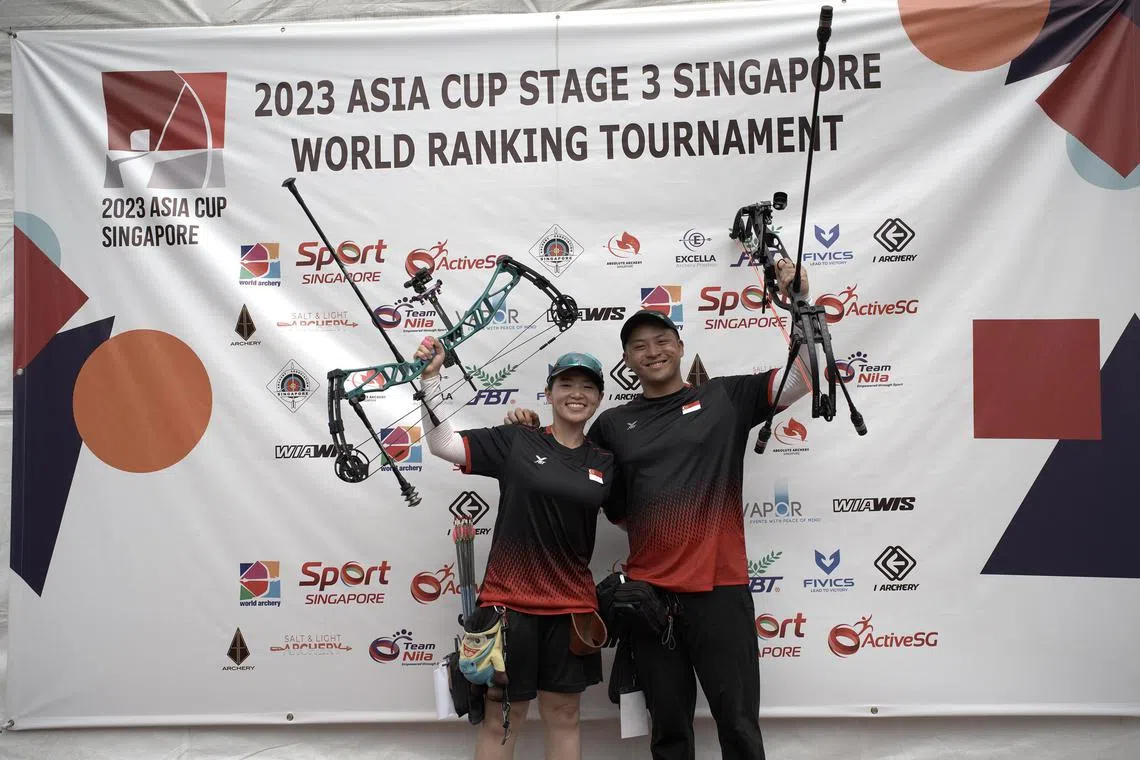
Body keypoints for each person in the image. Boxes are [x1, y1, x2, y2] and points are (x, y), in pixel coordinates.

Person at [507, 258, 815, 759]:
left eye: (662, 340)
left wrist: (800, 300)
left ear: (680, 347)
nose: (652, 351)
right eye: (639, 345)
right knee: (669, 732)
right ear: (627, 360)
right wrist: (523, 430)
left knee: (737, 724)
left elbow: (803, 377)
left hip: (721, 589)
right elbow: (573, 471)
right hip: (648, 598)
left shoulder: (724, 398)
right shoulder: (612, 424)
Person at [414, 336, 615, 760]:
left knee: (564, 717)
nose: (576, 394)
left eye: (587, 386)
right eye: (565, 384)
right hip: (510, 607)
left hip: (572, 610)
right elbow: (442, 445)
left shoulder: (606, 461)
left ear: (599, 396)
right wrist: (430, 380)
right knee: (504, 719)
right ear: (548, 392)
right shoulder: (517, 440)